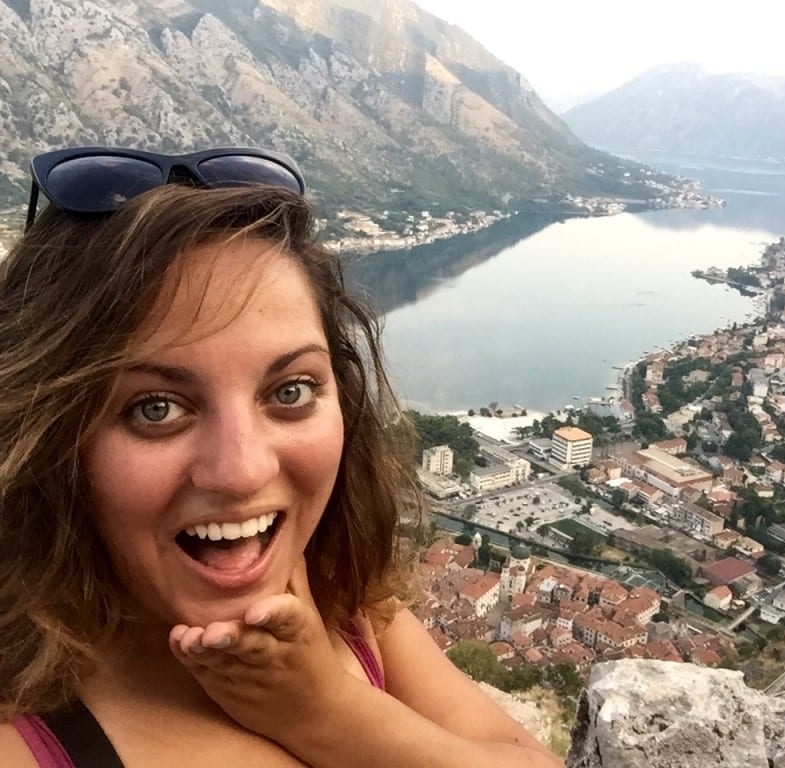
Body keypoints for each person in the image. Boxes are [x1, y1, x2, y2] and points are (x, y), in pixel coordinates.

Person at [0, 147, 563, 767]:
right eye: (156, 409)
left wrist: (320, 708)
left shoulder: (346, 608)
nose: (243, 471)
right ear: (50, 438)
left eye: (290, 392)